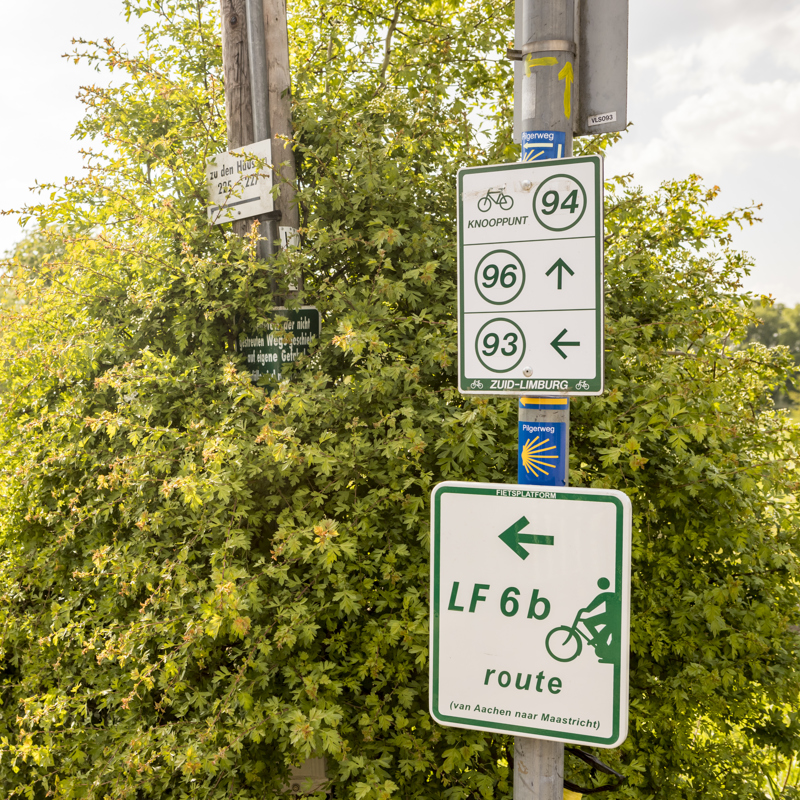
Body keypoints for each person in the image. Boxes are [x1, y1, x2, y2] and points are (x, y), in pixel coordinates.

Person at [577, 578, 620, 665]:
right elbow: (596, 602)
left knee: (588, 622)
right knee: (605, 631)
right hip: (612, 617)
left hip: (610, 616)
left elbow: (594, 605)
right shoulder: (615, 594)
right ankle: (600, 640)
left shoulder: (607, 594)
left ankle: (599, 641)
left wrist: (585, 610)